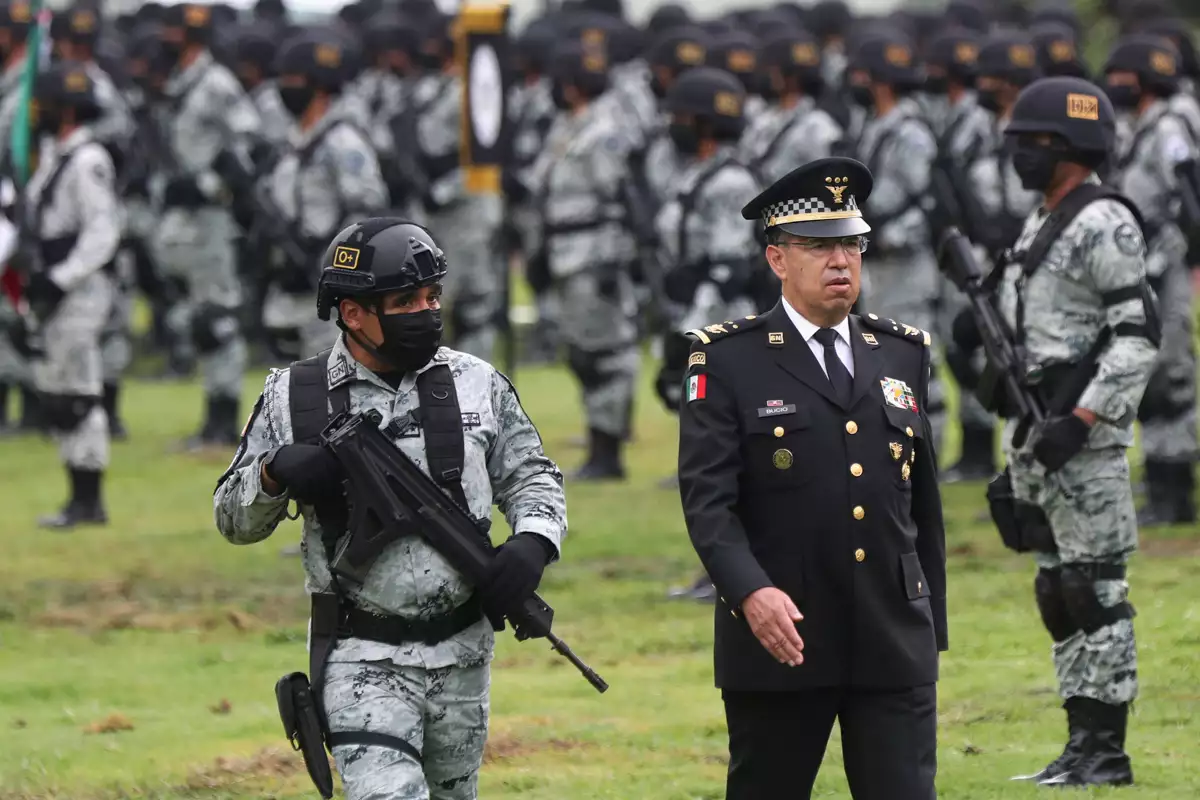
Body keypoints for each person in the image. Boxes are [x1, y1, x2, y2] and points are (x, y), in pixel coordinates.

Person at [214, 218, 567, 800]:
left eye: (433, 297)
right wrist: (273, 475)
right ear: (353, 314)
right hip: (361, 657)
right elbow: (231, 518)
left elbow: (533, 476)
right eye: (406, 301)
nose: (427, 312)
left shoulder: (476, 384)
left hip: (463, 656)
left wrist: (534, 540)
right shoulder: (292, 397)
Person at [678, 156, 947, 800]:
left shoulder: (902, 351)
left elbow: (922, 503)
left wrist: (926, 617)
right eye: (819, 247)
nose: (841, 262)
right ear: (777, 259)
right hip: (783, 632)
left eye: (851, 245)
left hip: (890, 632)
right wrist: (749, 595)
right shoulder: (728, 360)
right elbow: (709, 503)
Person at [996, 76, 1159, 787]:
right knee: (1056, 588)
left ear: (1066, 146)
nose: (1018, 155)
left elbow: (1136, 337)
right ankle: (1077, 738)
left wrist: (1085, 417)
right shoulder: (1040, 221)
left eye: (1029, 142)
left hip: (1083, 439)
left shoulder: (1105, 223)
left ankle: (1107, 749)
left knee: (1095, 589)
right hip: (1037, 432)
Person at [154, 2, 262, 447]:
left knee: (218, 317)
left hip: (212, 217)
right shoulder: (180, 81)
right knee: (199, 316)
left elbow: (249, 139)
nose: (171, 39)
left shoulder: (215, 82)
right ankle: (211, 418)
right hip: (185, 215)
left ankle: (223, 420)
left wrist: (212, 185)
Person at [21, 62, 122, 528]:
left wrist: (62, 277)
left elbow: (102, 231)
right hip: (55, 283)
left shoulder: (87, 160)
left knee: (79, 392)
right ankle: (75, 495)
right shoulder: (54, 157)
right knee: (58, 390)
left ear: (64, 110)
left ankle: (89, 500)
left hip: (80, 288)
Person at [1104, 35, 1198, 525]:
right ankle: (1161, 481)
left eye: (1122, 76)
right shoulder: (1135, 126)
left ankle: (1175, 491)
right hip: (1141, 260)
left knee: (1172, 374)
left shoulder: (1169, 127)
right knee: (1149, 372)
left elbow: (1188, 190)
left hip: (1167, 260)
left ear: (1142, 80)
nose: (1113, 84)